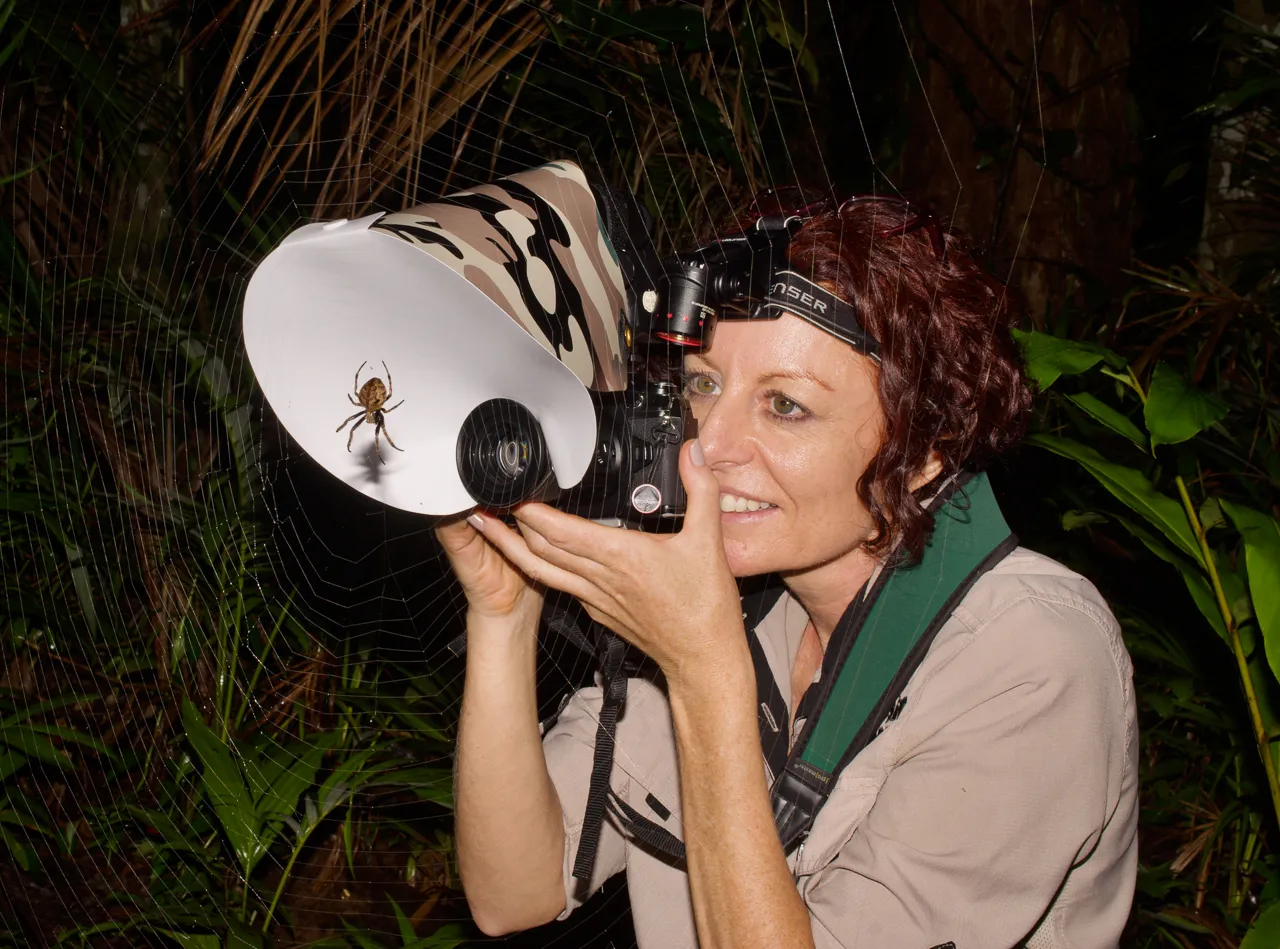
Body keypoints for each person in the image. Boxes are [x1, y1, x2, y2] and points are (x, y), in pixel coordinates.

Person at [434, 193, 1139, 949]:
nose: (710, 444)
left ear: (926, 450)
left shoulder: (1030, 657)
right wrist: (505, 615)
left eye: (786, 406)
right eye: (704, 385)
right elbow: (515, 892)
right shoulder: (732, 601)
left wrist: (703, 673)